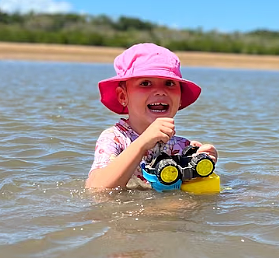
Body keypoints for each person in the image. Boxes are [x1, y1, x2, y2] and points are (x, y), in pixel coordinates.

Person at [86, 43, 218, 190]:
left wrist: (204, 161)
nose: (160, 91)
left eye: (169, 83)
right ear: (123, 96)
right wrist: (143, 142)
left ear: (180, 98)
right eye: (145, 83)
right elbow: (96, 188)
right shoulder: (114, 139)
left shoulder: (180, 146)